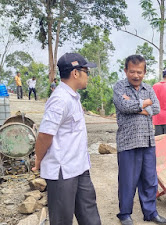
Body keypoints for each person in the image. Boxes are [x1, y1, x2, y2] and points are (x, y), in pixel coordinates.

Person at [32, 53, 101, 225]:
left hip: (79, 167)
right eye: (86, 71)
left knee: (90, 215)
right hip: (62, 172)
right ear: (75, 73)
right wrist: (39, 159)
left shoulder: (73, 97)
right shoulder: (60, 100)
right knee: (62, 219)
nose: (88, 75)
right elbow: (44, 135)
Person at [113, 55, 166, 225]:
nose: (135, 75)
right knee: (128, 181)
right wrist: (145, 104)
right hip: (128, 141)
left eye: (139, 72)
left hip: (148, 141)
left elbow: (157, 108)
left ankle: (151, 212)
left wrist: (138, 105)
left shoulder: (148, 88)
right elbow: (123, 105)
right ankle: (125, 215)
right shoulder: (119, 87)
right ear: (125, 71)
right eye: (132, 71)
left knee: (149, 180)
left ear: (144, 72)